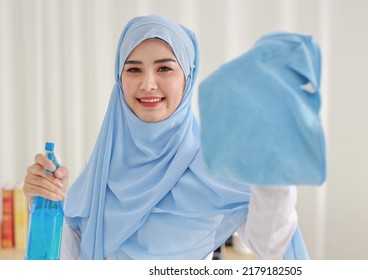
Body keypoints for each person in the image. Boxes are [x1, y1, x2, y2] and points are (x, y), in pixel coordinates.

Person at [23, 14, 308, 260]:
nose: (148, 84)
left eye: (164, 68)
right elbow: (77, 257)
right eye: (134, 69)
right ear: (119, 78)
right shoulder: (102, 161)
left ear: (188, 77)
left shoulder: (214, 163)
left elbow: (271, 245)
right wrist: (43, 204)